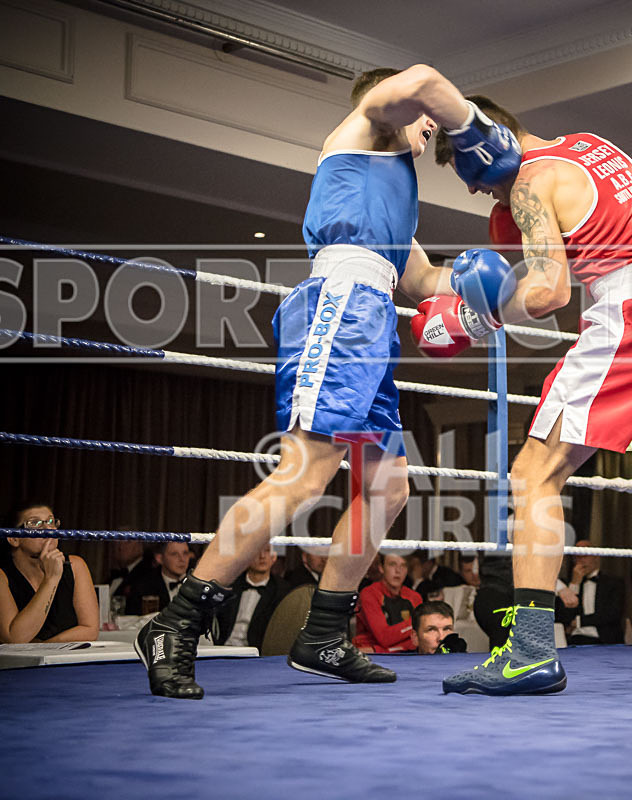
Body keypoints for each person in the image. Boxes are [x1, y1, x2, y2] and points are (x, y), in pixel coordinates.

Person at [135, 66, 521, 698]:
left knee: (387, 487)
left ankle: (322, 635)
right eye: (426, 120)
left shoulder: (396, 203)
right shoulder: (367, 130)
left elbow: (421, 280)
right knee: (305, 474)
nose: (431, 129)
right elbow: (422, 81)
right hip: (341, 305)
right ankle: (175, 624)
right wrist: (475, 126)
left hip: (372, 319)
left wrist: (484, 287)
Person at [434, 96, 632, 693]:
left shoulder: (530, 182)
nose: (476, 190)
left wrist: (475, 317)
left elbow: (549, 292)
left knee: (533, 474)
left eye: (466, 171)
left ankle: (531, 652)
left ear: (489, 144)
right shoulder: (591, 144)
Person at [0, 502, 99, 643]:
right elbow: (14, 639)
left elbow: (90, 630)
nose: (48, 529)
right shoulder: (2, 576)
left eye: (51, 522)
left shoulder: (75, 565)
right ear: (14, 538)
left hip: (65, 656)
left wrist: (44, 647)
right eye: (35, 523)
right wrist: (51, 579)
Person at [213, 543, 289, 649]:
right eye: (257, 551)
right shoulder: (229, 583)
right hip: (222, 648)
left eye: (267, 551)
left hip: (257, 653)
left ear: (274, 557)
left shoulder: (282, 591)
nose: (262, 556)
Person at [555, 540, 624, 645]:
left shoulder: (613, 583)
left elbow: (613, 613)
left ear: (596, 556)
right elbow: (564, 617)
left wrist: (579, 622)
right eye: (577, 556)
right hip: (577, 640)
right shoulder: (565, 585)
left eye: (585, 555)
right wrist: (575, 584)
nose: (580, 560)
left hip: (606, 640)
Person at [353, 553, 422, 653]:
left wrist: (380, 650)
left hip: (379, 651)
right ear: (381, 568)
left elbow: (420, 639)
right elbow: (384, 638)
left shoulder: (414, 597)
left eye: (403, 565)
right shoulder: (369, 594)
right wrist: (415, 624)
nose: (398, 571)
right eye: (392, 564)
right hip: (372, 658)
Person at [125, 541, 191, 615]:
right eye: (174, 554)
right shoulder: (143, 587)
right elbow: (132, 619)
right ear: (159, 558)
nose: (182, 559)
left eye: (185, 553)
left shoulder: (198, 583)